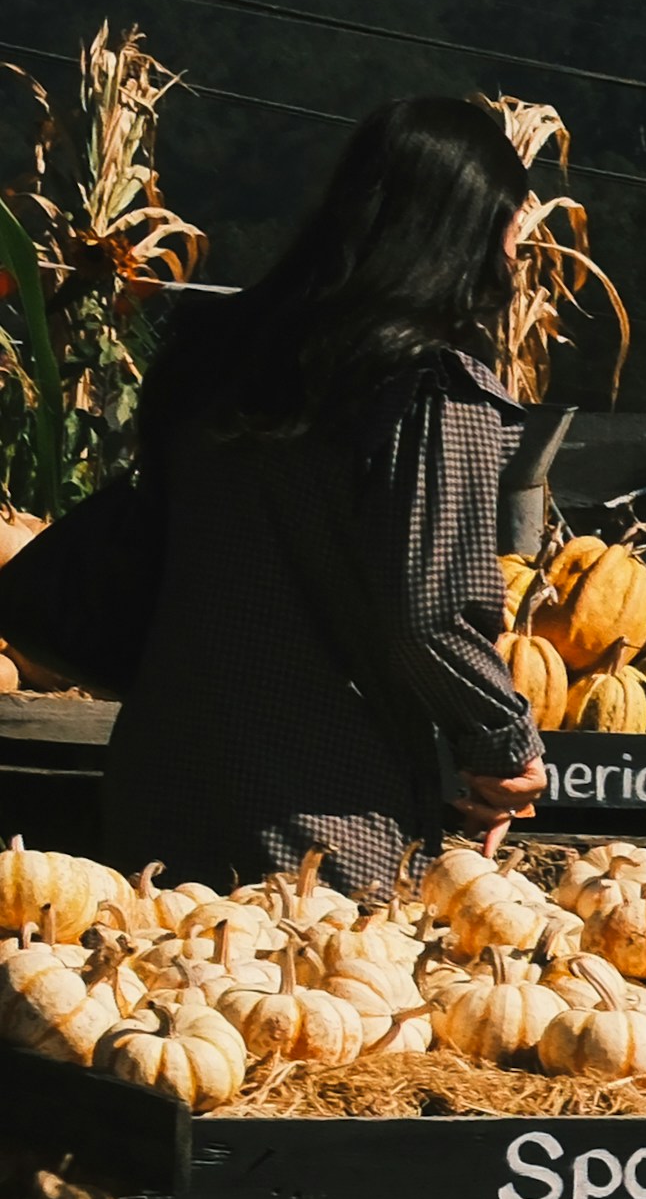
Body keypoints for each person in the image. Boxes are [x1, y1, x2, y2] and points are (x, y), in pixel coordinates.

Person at [94, 94, 553, 895]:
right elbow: (430, 614)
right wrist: (503, 747)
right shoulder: (433, 389)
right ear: (467, 235)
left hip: (160, 784)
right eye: (514, 234)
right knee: (303, 1015)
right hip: (319, 822)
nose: (515, 262)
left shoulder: (210, 354)